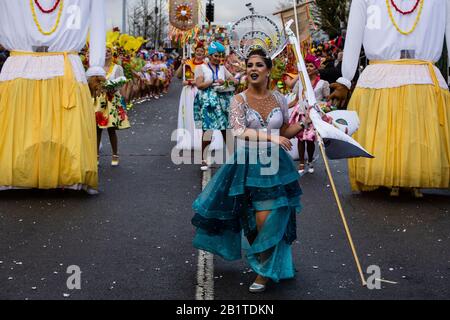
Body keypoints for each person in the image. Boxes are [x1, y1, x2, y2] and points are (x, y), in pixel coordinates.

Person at [192, 49, 309, 293]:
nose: (253, 69)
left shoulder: (279, 99)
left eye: (258, 65)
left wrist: (307, 123)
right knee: (253, 220)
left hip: (276, 166)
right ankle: (264, 264)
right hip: (247, 164)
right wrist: (272, 137)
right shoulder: (239, 100)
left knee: (270, 216)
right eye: (249, 65)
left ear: (268, 70)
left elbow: (285, 129)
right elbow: (238, 131)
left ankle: (264, 270)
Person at [329, 0, 450, 198]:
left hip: (420, 76)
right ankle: (394, 179)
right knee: (404, 130)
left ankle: (410, 179)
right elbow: (354, 33)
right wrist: (346, 78)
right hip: (383, 77)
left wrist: (347, 79)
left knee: (413, 131)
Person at [0, 0, 106, 193]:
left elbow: (98, 21)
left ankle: (70, 174)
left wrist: (96, 66)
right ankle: (14, 174)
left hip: (64, 66)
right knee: (23, 124)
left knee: (64, 128)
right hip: (21, 66)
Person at [193, 41, 236, 170]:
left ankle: (232, 158)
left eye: (220, 56)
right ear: (210, 55)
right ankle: (204, 159)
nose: (218, 59)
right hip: (208, 104)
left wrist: (226, 81)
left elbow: (234, 81)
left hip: (222, 103)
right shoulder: (201, 68)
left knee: (226, 130)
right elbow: (199, 85)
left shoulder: (223, 68)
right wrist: (212, 81)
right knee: (207, 131)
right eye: (216, 56)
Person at [289, 55, 330, 173]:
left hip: (314, 115)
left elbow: (327, 101)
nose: (308, 68)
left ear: (317, 69)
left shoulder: (323, 83)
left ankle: (310, 161)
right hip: (301, 113)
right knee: (301, 139)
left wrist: (325, 108)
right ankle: (301, 163)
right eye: (306, 65)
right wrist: (284, 108)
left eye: (311, 66)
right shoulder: (300, 83)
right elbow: (296, 100)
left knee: (310, 139)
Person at [94, 47, 131, 167]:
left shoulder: (117, 68)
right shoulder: (97, 68)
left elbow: (121, 83)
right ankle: (96, 156)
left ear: (112, 53)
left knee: (111, 129)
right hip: (100, 101)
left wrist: (113, 88)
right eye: (104, 51)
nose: (106, 53)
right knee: (97, 129)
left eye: (108, 51)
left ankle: (115, 154)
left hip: (112, 100)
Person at [175, 42, 206, 151]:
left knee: (199, 115)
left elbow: (206, 79)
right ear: (194, 52)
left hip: (200, 91)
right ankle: (188, 138)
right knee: (188, 114)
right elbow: (178, 76)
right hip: (187, 93)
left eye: (201, 51)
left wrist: (193, 82)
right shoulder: (187, 63)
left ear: (204, 54)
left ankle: (199, 139)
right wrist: (181, 64)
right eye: (197, 51)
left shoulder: (205, 65)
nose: (199, 53)